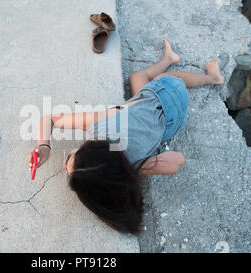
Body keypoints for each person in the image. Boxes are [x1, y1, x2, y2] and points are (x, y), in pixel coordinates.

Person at [27, 40, 224, 234]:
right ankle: (198, 73)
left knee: (149, 77)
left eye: (69, 161)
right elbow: (50, 119)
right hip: (167, 106)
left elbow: (176, 160)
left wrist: (132, 174)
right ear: (94, 146)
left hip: (166, 112)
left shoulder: (131, 164)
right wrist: (44, 146)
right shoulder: (101, 126)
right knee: (148, 78)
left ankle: (208, 77)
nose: (65, 162)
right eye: (69, 158)